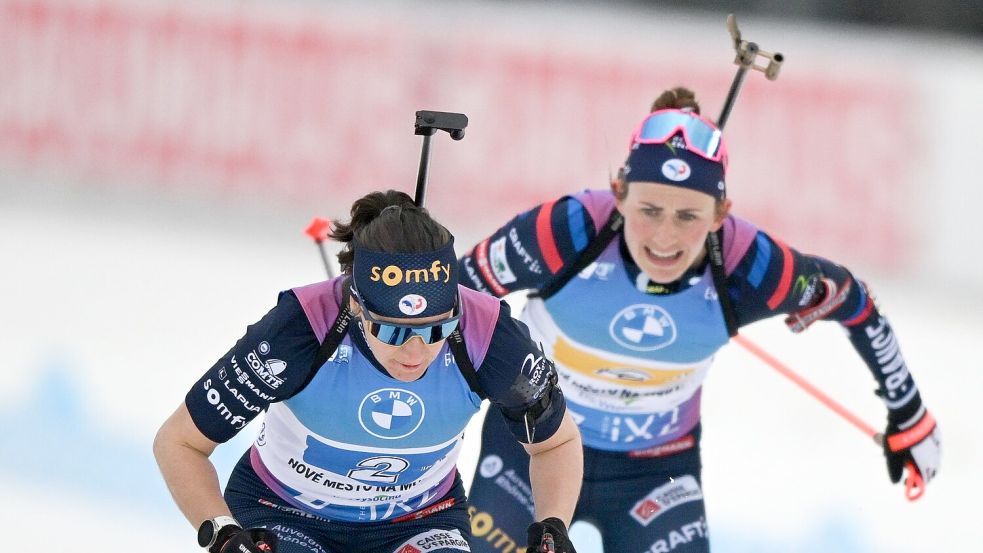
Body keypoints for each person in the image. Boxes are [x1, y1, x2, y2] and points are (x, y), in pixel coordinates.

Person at [458, 87, 940, 553]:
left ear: (720, 213)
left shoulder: (750, 264)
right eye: (649, 210)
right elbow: (454, 298)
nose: (665, 237)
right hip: (532, 449)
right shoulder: (570, 228)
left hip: (652, 473)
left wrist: (909, 412)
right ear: (620, 195)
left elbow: (853, 300)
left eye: (689, 215)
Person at [153, 190, 584, 553]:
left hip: (419, 519)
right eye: (394, 332)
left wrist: (553, 525)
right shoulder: (302, 329)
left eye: (439, 328)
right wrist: (222, 532)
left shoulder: (490, 335)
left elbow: (556, 442)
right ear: (356, 304)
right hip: (283, 511)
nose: (417, 350)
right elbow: (180, 442)